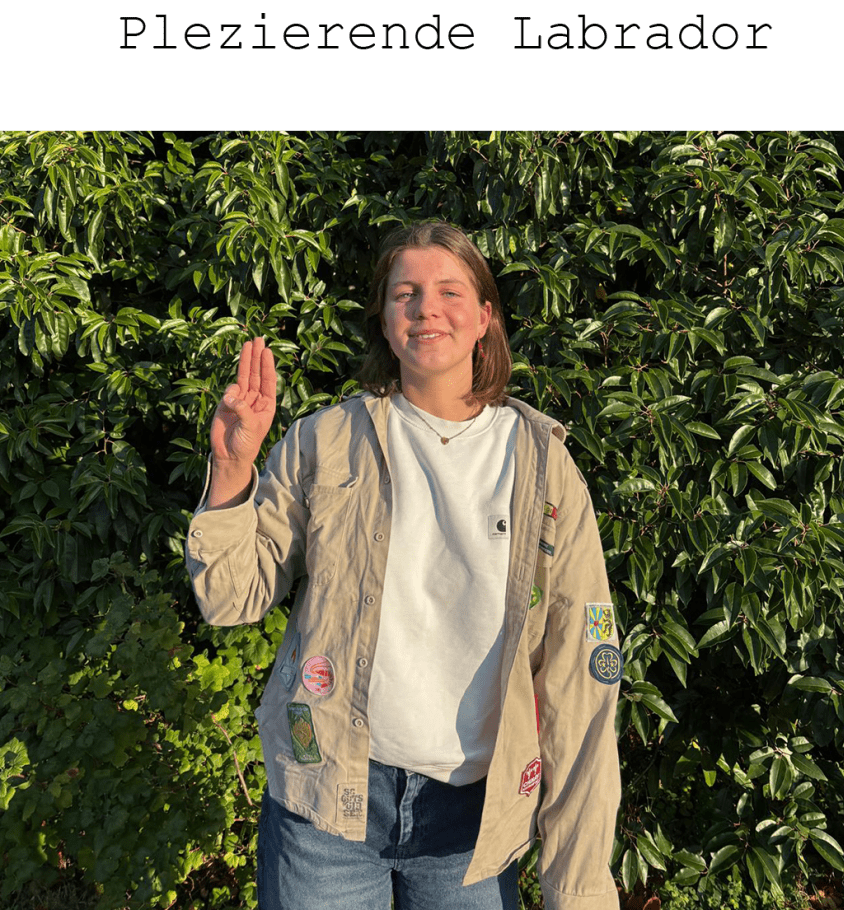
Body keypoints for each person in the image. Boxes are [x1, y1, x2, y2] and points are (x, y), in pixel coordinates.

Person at [185, 221, 622, 910]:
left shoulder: (543, 465)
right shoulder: (325, 440)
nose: (426, 309)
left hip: (471, 825)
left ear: (485, 317)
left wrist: (580, 889)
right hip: (326, 803)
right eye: (405, 294)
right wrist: (233, 466)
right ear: (386, 323)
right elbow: (231, 596)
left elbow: (581, 682)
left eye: (450, 291)